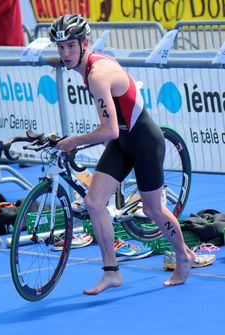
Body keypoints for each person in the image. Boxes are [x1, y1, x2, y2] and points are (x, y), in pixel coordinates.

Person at [49, 14, 196, 295]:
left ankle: (184, 255)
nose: (65, 54)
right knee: (94, 202)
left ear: (84, 43)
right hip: (122, 140)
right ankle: (112, 272)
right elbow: (114, 126)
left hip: (143, 141)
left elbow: (110, 129)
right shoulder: (87, 69)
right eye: (60, 47)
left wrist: (72, 142)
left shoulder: (96, 74)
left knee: (152, 209)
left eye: (70, 46)